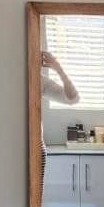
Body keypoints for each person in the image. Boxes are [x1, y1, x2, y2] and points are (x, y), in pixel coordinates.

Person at [40, 50, 79, 183]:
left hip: (37, 147)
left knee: (36, 193)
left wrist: (59, 69)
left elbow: (72, 98)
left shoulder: (40, 81)